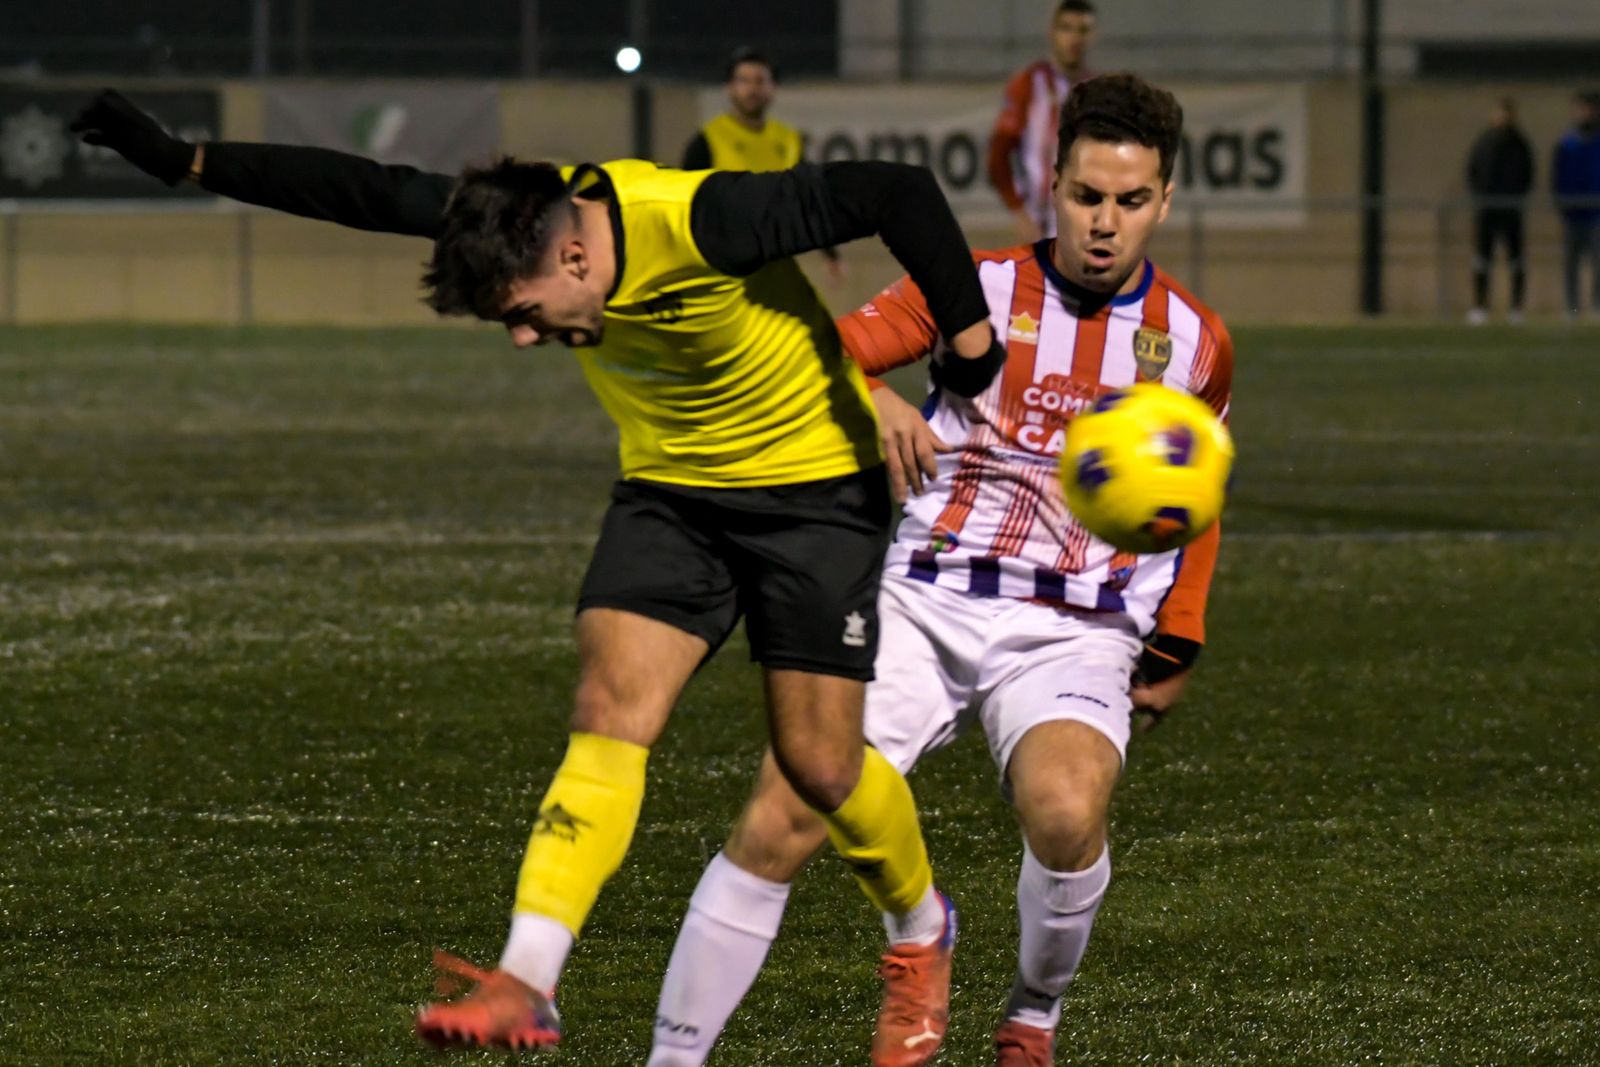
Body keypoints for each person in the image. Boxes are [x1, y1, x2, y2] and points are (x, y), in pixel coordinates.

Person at [70, 89, 1012, 1062]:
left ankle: (918, 925)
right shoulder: (514, 217)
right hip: (674, 492)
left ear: (573, 258)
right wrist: (184, 160)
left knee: (820, 766)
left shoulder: (704, 220)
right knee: (610, 696)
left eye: (522, 316)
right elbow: (359, 186)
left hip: (815, 491)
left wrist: (972, 344)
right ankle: (528, 977)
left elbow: (897, 192)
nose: (522, 339)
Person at [648, 72, 1232, 1067]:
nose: (1105, 223)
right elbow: (815, 350)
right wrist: (868, 397)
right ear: (1051, 184)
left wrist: (1180, 633)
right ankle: (671, 1059)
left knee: (1063, 808)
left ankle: (1031, 1015)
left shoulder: (1194, 343)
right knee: (787, 805)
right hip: (923, 596)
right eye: (1088, 196)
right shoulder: (975, 286)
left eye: (1130, 202)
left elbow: (1195, 499)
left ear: (1164, 201)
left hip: (1075, 626)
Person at [683, 47, 844, 283]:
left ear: (773, 88)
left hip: (774, 263)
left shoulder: (788, 140)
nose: (752, 89)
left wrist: (830, 252)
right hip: (723, 263)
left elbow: (806, 198)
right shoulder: (708, 140)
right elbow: (685, 203)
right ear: (730, 87)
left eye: (760, 81)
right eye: (744, 81)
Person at [988, 0, 1097, 243]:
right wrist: (1019, 212)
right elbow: (998, 156)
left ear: (1092, 36)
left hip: (1085, 225)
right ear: (1052, 33)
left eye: (1082, 30)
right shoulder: (1028, 84)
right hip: (1039, 225)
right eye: (1066, 28)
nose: (1074, 39)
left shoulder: (1098, 91)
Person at [1465, 98, 1533, 325]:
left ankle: (1516, 308)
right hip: (1487, 211)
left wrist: (1516, 199)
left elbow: (1527, 174)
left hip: (1511, 211)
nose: (1502, 118)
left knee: (1516, 259)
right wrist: (1480, 198)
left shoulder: (1520, 144)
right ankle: (1480, 306)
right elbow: (1473, 172)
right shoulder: (1483, 142)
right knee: (1482, 259)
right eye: (1499, 113)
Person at [1553, 91, 1600, 319]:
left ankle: (1597, 306)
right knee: (1571, 264)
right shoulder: (1567, 144)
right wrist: (1562, 204)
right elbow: (1558, 177)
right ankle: (1572, 308)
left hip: (1596, 214)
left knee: (1598, 262)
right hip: (1573, 213)